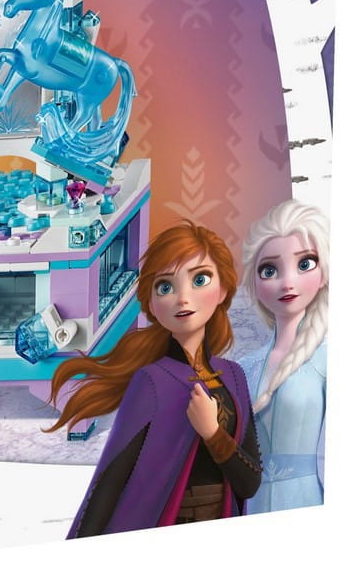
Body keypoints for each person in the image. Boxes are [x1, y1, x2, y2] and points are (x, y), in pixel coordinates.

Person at [48, 221, 261, 537]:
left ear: (224, 290)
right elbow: (111, 479)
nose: (183, 298)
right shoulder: (151, 381)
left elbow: (250, 483)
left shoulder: (234, 376)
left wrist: (212, 433)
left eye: (199, 280)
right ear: (150, 303)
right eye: (165, 287)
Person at [239, 200, 328, 512]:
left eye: (305, 264)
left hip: (308, 501)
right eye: (269, 270)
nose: (287, 282)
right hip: (251, 504)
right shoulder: (245, 367)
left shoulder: (326, 360)